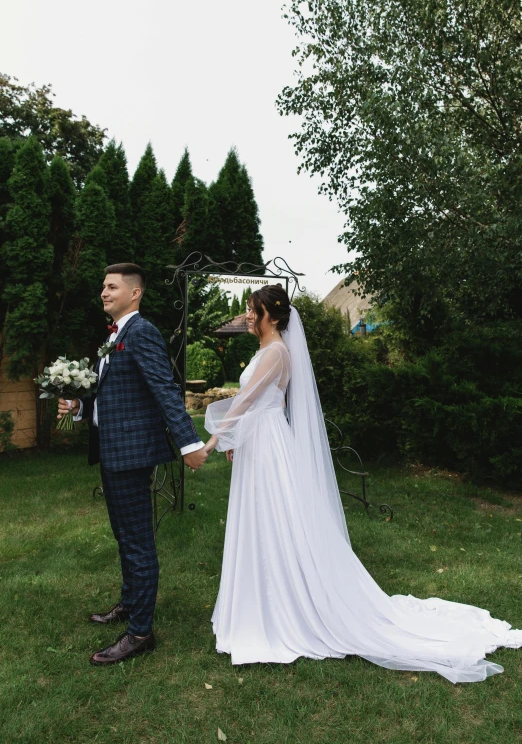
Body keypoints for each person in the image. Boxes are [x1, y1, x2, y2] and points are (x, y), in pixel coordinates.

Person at [203, 284, 521, 683]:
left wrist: (216, 439)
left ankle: (283, 604)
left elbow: (247, 400)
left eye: (252, 310)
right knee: (263, 519)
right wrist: (241, 438)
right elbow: (269, 403)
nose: (248, 316)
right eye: (249, 310)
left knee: (276, 519)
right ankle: (259, 600)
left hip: (269, 447)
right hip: (262, 442)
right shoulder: (269, 351)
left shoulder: (277, 352)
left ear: (273, 315)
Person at [58, 263, 208, 665]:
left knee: (139, 542)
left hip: (131, 454)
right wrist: (78, 403)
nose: (103, 293)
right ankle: (128, 603)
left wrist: (188, 442)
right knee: (124, 536)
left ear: (134, 293)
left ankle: (141, 632)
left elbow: (164, 390)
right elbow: (112, 394)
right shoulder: (113, 337)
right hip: (111, 452)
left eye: (111, 287)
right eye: (102, 286)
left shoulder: (141, 333)